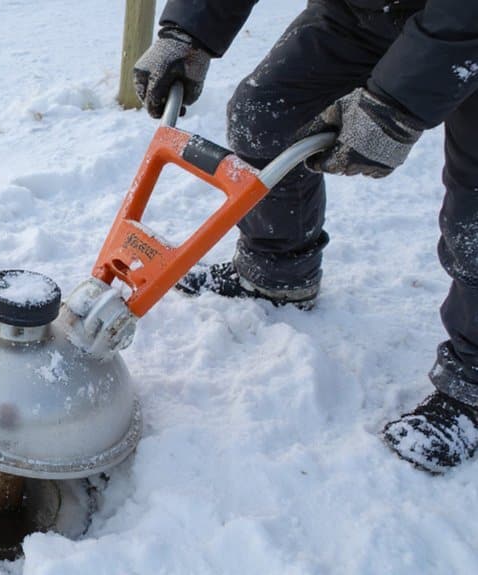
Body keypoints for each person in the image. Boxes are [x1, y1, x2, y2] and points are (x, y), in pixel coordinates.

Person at [132, 0, 478, 474]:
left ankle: (472, 387)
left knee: (474, 222)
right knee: (268, 114)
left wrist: (396, 103)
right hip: (367, 11)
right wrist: (187, 32)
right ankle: (278, 272)